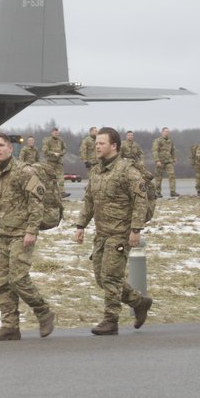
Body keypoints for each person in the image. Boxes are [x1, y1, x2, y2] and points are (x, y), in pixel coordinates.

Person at [75, 127, 152, 336]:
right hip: (102, 233)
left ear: (114, 146)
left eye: (101, 143)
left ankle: (111, 320)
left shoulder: (127, 170)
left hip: (120, 233)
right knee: (102, 278)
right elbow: (89, 201)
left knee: (110, 277)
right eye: (96, 143)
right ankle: (139, 302)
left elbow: (140, 201)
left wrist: (136, 229)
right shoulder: (96, 170)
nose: (97, 146)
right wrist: (80, 225)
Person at [0, 132, 56, 341]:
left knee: (18, 279)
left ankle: (43, 312)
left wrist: (32, 230)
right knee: (2, 282)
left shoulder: (24, 171)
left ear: (10, 149)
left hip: (22, 235)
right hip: (2, 235)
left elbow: (36, 202)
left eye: (1, 145)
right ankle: (10, 326)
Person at [42, 127, 68, 197]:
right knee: (49, 178)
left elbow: (65, 148)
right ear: (52, 133)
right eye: (55, 133)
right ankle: (48, 193)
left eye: (58, 133)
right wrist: (53, 153)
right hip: (50, 162)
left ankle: (62, 192)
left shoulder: (61, 140)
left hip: (59, 162)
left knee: (61, 178)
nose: (57, 134)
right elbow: (45, 151)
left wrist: (61, 153)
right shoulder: (47, 141)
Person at [152, 127, 178, 198]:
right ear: (162, 132)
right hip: (160, 161)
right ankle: (157, 192)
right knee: (158, 177)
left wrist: (174, 158)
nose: (166, 133)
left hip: (169, 161)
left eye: (167, 131)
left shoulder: (170, 141)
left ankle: (173, 192)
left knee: (172, 175)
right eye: (165, 131)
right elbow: (155, 151)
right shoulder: (158, 140)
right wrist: (157, 160)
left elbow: (173, 150)